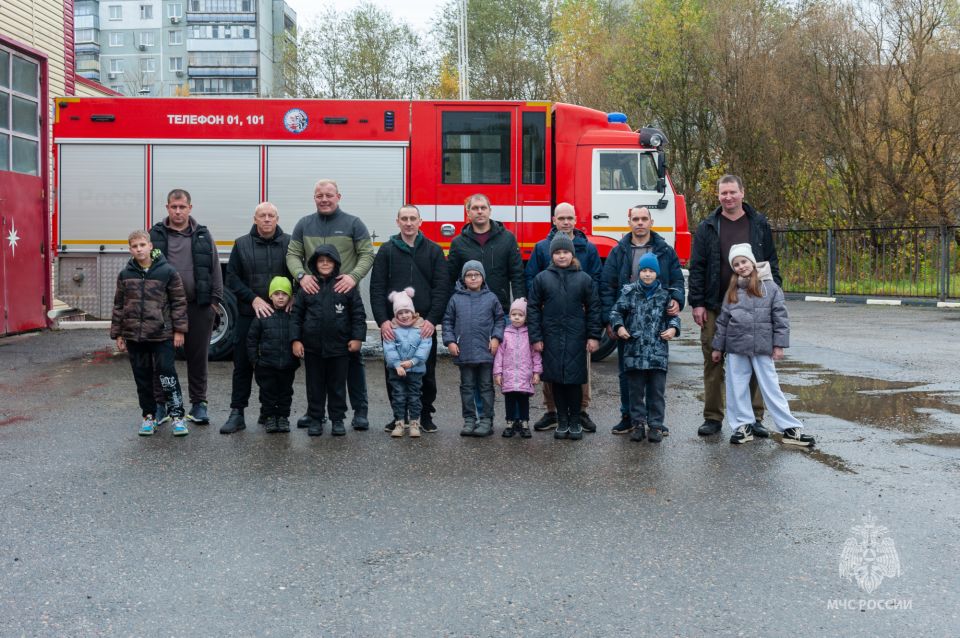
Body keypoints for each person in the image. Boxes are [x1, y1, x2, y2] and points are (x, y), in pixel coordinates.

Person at [689, 175, 782, 438]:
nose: (727, 197)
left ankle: (754, 418)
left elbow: (770, 261)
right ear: (718, 196)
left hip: (753, 306)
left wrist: (775, 295)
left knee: (754, 360)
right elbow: (697, 267)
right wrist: (697, 303)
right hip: (715, 304)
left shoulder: (758, 223)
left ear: (742, 192)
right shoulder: (708, 225)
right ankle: (713, 416)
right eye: (723, 193)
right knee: (713, 360)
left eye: (732, 192)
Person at [286, 179, 375, 431]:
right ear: (314, 198)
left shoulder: (353, 223)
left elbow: (367, 253)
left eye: (329, 195)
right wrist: (301, 276)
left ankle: (359, 411)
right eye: (319, 195)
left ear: (339, 196)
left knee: (352, 359)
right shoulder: (304, 224)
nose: (324, 199)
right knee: (316, 366)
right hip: (314, 297)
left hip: (343, 301)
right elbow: (293, 254)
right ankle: (316, 414)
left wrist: (353, 276)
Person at [711, 244, 814, 447]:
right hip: (736, 347)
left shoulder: (770, 288)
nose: (741, 266)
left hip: (762, 346)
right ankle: (742, 426)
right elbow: (723, 321)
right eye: (736, 264)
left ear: (752, 262)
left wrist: (779, 345)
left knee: (771, 386)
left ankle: (789, 428)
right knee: (736, 387)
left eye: (744, 262)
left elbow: (781, 318)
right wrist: (717, 347)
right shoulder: (732, 291)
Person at [600, 206, 684, 435]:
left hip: (657, 324)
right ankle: (630, 417)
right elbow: (607, 285)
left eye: (643, 219)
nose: (639, 223)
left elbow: (677, 280)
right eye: (635, 219)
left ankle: (655, 422)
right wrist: (610, 320)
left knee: (656, 380)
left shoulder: (665, 251)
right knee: (627, 373)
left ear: (651, 221)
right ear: (629, 222)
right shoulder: (619, 251)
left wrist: (677, 298)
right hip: (628, 324)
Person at [370, 205, 449, 434]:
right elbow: (376, 288)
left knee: (426, 370)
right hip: (394, 326)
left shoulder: (434, 250)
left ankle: (424, 414)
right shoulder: (386, 251)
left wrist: (432, 321)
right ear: (397, 222)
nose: (408, 223)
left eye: (412, 218)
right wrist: (383, 321)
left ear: (420, 222)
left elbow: (441, 288)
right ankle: (398, 416)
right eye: (404, 219)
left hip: (422, 324)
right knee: (394, 371)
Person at [524, 202, 602, 433]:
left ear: (576, 219)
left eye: (570, 217)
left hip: (578, 323)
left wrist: (592, 326)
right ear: (553, 220)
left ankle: (580, 412)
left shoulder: (588, 247)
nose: (566, 222)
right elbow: (532, 282)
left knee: (580, 371)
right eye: (561, 218)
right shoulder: (541, 247)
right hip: (552, 323)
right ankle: (553, 412)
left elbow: (595, 281)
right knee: (552, 371)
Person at [149, 188, 223, 426]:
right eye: (174, 207)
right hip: (164, 309)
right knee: (161, 358)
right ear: (167, 208)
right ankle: (161, 405)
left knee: (198, 357)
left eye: (182, 207)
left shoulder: (202, 235)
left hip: (198, 305)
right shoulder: (156, 234)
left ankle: (199, 404)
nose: (178, 211)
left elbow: (215, 268)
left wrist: (213, 302)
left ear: (190, 208)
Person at [221, 202, 291, 434]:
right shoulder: (241, 244)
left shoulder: (290, 244)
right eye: (263, 216)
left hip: (280, 318)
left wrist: (293, 298)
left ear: (277, 218)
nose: (267, 219)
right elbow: (231, 278)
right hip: (248, 313)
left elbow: (300, 275)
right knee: (243, 364)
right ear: (255, 218)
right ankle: (237, 413)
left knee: (277, 367)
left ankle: (270, 411)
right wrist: (253, 299)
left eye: (271, 215)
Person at [111, 230, 189, 437]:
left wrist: (179, 330)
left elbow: (179, 302)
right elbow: (119, 305)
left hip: (162, 335)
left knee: (167, 375)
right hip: (135, 336)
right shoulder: (125, 275)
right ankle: (149, 417)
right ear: (130, 250)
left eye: (142, 245)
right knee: (142, 378)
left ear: (150, 246)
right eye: (134, 246)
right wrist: (118, 334)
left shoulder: (168, 272)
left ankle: (177, 417)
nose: (139, 249)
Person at [290, 245, 366, 437]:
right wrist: (296, 339)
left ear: (336, 263)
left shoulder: (346, 287)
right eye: (321, 260)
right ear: (315, 264)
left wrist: (357, 338)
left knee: (337, 385)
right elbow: (296, 316)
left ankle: (338, 419)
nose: (325, 264)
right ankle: (316, 419)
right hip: (313, 348)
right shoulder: (307, 288)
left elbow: (358, 314)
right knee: (315, 386)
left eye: (329, 260)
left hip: (340, 348)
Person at [608, 253, 682, 443]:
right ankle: (637, 424)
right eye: (644, 271)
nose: (647, 274)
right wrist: (620, 327)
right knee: (635, 392)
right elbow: (616, 312)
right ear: (638, 273)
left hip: (657, 353)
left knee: (656, 392)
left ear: (657, 273)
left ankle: (656, 425)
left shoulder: (666, 295)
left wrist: (673, 328)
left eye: (651, 271)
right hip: (634, 352)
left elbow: (673, 316)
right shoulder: (629, 292)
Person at [442, 260, 504, 438]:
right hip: (464, 352)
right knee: (467, 387)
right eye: (469, 275)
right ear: (463, 278)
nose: (473, 278)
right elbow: (447, 322)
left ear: (483, 277)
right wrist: (450, 341)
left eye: (477, 274)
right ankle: (469, 419)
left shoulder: (491, 298)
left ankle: (486, 420)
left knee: (485, 387)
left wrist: (496, 338)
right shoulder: (456, 298)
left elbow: (500, 319)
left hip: (486, 352)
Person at [447, 193, 525, 319]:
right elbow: (450, 279)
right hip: (468, 311)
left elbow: (517, 275)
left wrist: (519, 303)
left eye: (483, 208)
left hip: (500, 310)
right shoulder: (458, 243)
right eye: (475, 208)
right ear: (468, 213)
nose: (479, 211)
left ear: (490, 211)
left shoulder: (507, 238)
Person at [246, 276, 300, 434]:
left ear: (290, 296)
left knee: (285, 393)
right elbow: (252, 340)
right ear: (270, 296)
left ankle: (283, 417)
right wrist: (255, 361)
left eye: (284, 293)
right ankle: (269, 417)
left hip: (288, 365)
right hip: (267, 365)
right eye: (277, 293)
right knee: (267, 393)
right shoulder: (262, 317)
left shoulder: (293, 317)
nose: (281, 297)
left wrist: (296, 359)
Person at [382, 288, 433, 439]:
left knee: (414, 396)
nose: (404, 315)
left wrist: (413, 362)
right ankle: (399, 422)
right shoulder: (392, 329)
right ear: (395, 315)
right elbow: (389, 348)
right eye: (400, 313)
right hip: (396, 371)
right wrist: (397, 364)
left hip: (415, 370)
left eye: (407, 311)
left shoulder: (421, 327)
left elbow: (425, 346)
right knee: (398, 396)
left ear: (413, 311)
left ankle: (414, 423)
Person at [493, 298, 542, 439]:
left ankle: (524, 423)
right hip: (508, 376)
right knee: (509, 400)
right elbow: (499, 355)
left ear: (526, 317)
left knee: (523, 401)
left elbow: (535, 355)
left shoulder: (529, 334)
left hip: (524, 375)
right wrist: (498, 373)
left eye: (520, 315)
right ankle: (510, 423)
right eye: (513, 314)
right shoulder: (505, 333)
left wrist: (536, 372)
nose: (516, 317)